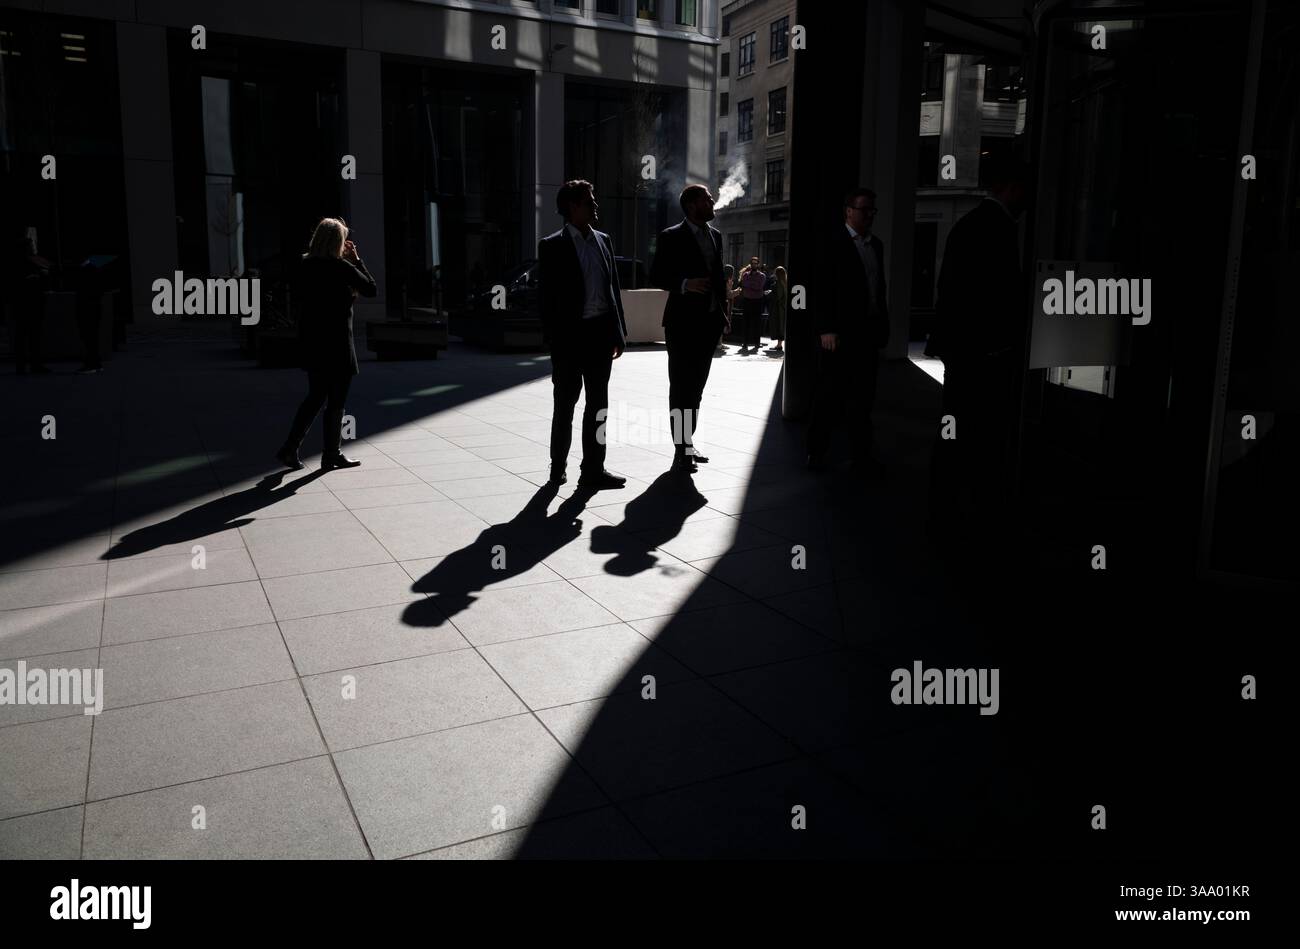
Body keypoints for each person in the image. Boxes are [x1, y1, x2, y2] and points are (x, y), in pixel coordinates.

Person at [926, 156, 1031, 529]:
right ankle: (959, 500)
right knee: (974, 425)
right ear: (1011, 187)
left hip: (964, 347)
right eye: (1023, 189)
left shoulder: (972, 223)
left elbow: (952, 288)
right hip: (981, 350)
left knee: (956, 421)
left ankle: (946, 496)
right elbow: (995, 295)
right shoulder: (996, 226)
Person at [538, 179, 628, 490]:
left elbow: (612, 289)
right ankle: (557, 468)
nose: (595, 205)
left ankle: (593, 469)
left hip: (601, 336)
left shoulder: (604, 240)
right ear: (573, 206)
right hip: (569, 340)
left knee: (598, 407)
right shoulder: (552, 245)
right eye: (590, 201)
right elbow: (547, 299)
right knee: (564, 406)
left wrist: (618, 333)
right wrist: (555, 341)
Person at [277, 217, 376, 471]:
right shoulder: (341, 267)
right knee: (336, 401)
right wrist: (356, 260)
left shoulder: (303, 265)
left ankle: (290, 448)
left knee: (315, 396)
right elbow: (371, 289)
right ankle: (331, 454)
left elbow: (297, 296)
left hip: (312, 341)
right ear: (338, 242)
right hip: (338, 343)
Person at [806, 187, 890, 475]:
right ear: (849, 211)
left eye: (873, 210)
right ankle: (816, 452)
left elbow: (878, 289)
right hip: (838, 336)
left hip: (867, 333)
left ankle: (861, 456)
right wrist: (826, 329)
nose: (870, 215)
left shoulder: (875, 245)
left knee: (863, 399)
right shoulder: (832, 242)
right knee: (829, 396)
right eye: (864, 209)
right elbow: (822, 288)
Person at [650, 184, 729, 473]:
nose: (712, 203)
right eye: (708, 199)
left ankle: (688, 441)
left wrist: (723, 313)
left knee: (696, 388)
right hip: (682, 325)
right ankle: (681, 446)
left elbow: (719, 278)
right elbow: (656, 273)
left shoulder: (716, 237)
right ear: (693, 205)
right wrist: (685, 284)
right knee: (681, 387)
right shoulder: (671, 236)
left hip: (708, 324)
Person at [6, 227, 52, 375]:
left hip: (25, 304)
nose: (32, 247)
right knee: (30, 336)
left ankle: (26, 365)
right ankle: (32, 365)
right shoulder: (25, 264)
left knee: (26, 336)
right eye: (30, 246)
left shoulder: (17, 264)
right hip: (29, 304)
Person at [737, 256, 767, 355]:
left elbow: (759, 287)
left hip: (758, 301)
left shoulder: (762, 275)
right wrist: (753, 285)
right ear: (751, 264)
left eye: (756, 263)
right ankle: (745, 343)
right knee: (746, 322)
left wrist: (750, 285)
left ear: (758, 264)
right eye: (753, 263)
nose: (754, 265)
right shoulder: (745, 275)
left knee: (757, 323)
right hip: (747, 300)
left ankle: (757, 343)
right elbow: (744, 284)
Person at [767, 265, 788, 354]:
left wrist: (770, 293)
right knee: (781, 326)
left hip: (778, 309)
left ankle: (779, 345)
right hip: (782, 308)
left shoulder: (779, 283)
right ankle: (779, 344)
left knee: (779, 325)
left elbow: (778, 296)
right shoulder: (785, 283)